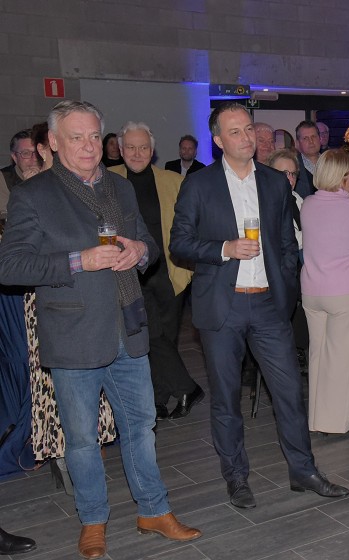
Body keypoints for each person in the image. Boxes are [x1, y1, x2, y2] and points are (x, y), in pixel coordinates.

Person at [0, 100, 200, 560]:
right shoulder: (34, 194)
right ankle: (93, 521)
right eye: (77, 137)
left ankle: (154, 510)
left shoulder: (120, 186)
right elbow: (10, 266)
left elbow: (148, 244)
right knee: (83, 440)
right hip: (74, 333)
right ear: (54, 142)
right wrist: (79, 260)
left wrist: (139, 252)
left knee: (142, 426)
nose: (89, 146)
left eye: (94, 136)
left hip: (128, 326)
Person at [170, 102, 349, 510]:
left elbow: (287, 240)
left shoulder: (273, 182)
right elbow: (179, 242)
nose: (246, 137)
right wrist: (225, 248)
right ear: (218, 140)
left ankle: (303, 470)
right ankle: (236, 477)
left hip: (268, 304)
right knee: (226, 398)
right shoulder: (199, 185)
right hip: (223, 306)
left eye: (249, 129)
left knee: (289, 392)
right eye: (235, 132)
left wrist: (285, 283)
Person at [112, 121, 203, 420]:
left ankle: (159, 399)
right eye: (130, 147)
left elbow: (190, 225)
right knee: (150, 335)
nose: (137, 153)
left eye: (143, 147)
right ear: (120, 149)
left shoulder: (173, 181)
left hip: (169, 271)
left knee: (166, 337)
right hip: (128, 273)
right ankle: (186, 387)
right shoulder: (107, 180)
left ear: (152, 151)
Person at [300, 149, 349, 434]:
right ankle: (334, 423)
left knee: (318, 354)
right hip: (343, 291)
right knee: (340, 359)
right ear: (341, 178)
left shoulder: (308, 203)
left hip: (311, 290)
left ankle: (315, 418)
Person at [267, 148, 304, 249]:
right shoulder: (267, 204)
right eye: (285, 174)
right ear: (270, 175)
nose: (291, 180)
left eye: (293, 174)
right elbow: (291, 240)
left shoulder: (296, 198)